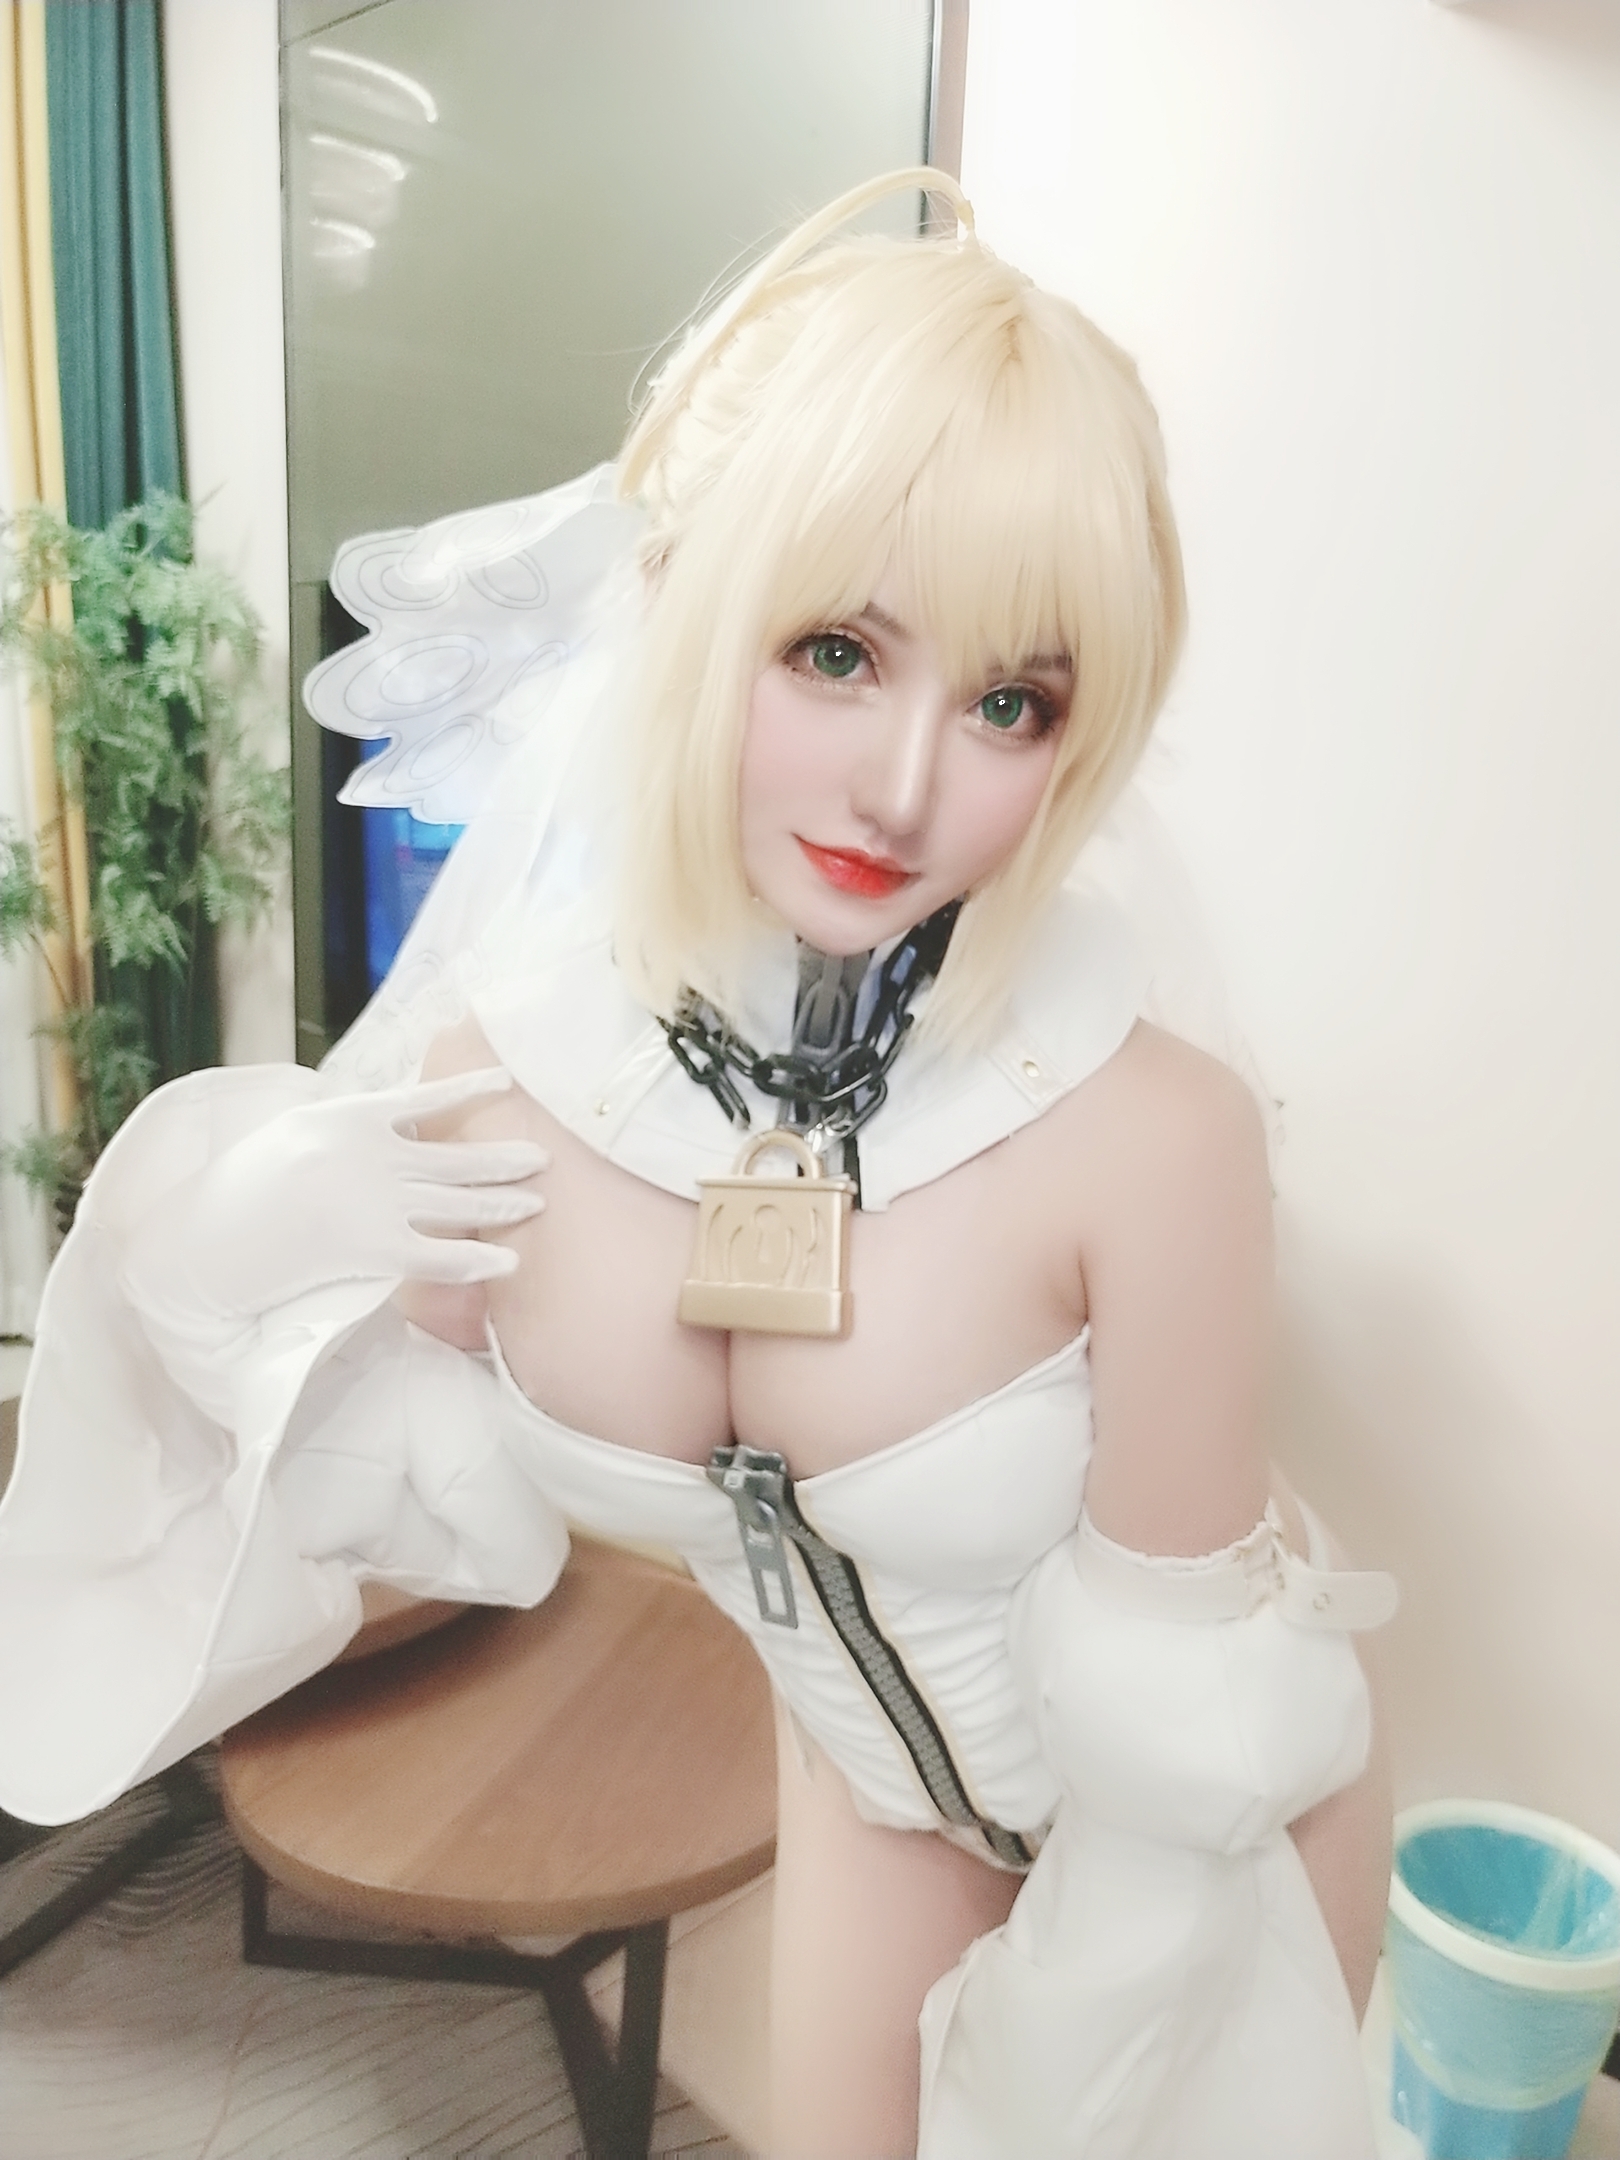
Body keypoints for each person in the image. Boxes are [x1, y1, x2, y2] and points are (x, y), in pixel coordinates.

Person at [0, 170, 1395, 2156]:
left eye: (1010, 703)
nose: (902, 787)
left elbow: (1183, 1734)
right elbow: (345, 1506)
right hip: (877, 1804)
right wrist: (208, 1238)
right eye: (834, 651)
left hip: (1214, 1848)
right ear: (677, 599)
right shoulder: (512, 1090)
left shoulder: (1149, 1138)